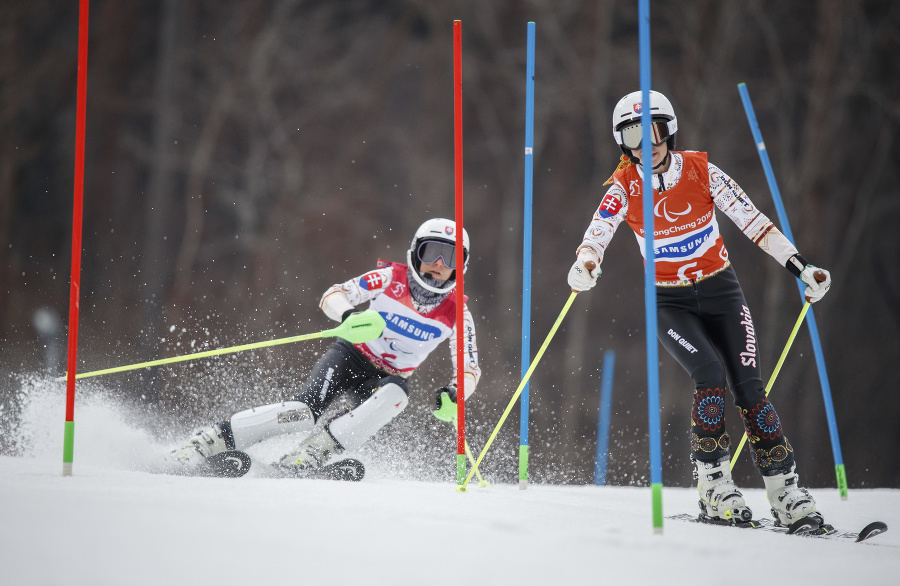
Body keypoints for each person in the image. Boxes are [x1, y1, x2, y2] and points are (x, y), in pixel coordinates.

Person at [568, 90, 832, 527]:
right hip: (669, 301)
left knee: (750, 391)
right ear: (623, 142)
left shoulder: (702, 170)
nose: (647, 142)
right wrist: (585, 264)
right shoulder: (624, 186)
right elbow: (598, 232)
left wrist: (800, 267)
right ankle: (713, 486)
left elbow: (754, 222)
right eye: (634, 134)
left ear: (668, 131)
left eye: (655, 130)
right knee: (709, 377)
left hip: (721, 291)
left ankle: (786, 493)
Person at [169, 218, 481, 476]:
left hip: (385, 382)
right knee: (303, 412)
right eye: (431, 253)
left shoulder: (458, 312)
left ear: (460, 267)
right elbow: (334, 294)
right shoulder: (390, 278)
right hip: (351, 355)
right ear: (415, 253)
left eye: (450, 258)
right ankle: (212, 441)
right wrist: (348, 316)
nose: (439, 264)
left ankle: (312, 452)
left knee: (398, 395)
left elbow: (469, 368)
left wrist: (456, 392)